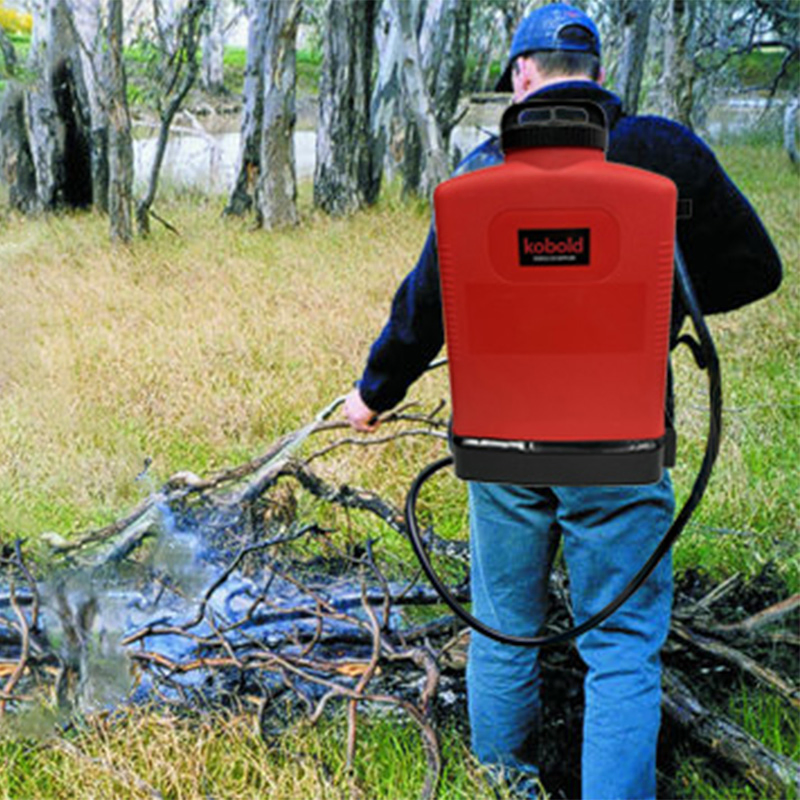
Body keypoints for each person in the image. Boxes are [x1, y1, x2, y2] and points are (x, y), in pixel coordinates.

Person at [344, 4, 782, 799]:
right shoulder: (664, 153)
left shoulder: (477, 175)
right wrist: (657, 304)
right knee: (622, 646)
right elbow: (757, 267)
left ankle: (502, 785)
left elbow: (424, 306)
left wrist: (373, 392)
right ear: (599, 76)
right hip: (621, 446)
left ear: (522, 76)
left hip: (499, 449)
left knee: (505, 627)